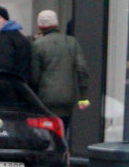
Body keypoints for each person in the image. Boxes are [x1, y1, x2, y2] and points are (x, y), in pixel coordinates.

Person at [29, 9, 91, 137]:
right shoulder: (71, 42)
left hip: (45, 99)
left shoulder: (37, 45)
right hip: (67, 98)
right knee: (63, 130)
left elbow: (35, 76)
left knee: (48, 135)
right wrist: (83, 96)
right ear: (56, 24)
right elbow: (82, 70)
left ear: (40, 26)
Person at [0, 6, 31, 82]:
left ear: (5, 19)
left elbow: (4, 69)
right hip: (23, 87)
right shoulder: (20, 36)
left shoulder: (4, 39)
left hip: (10, 87)